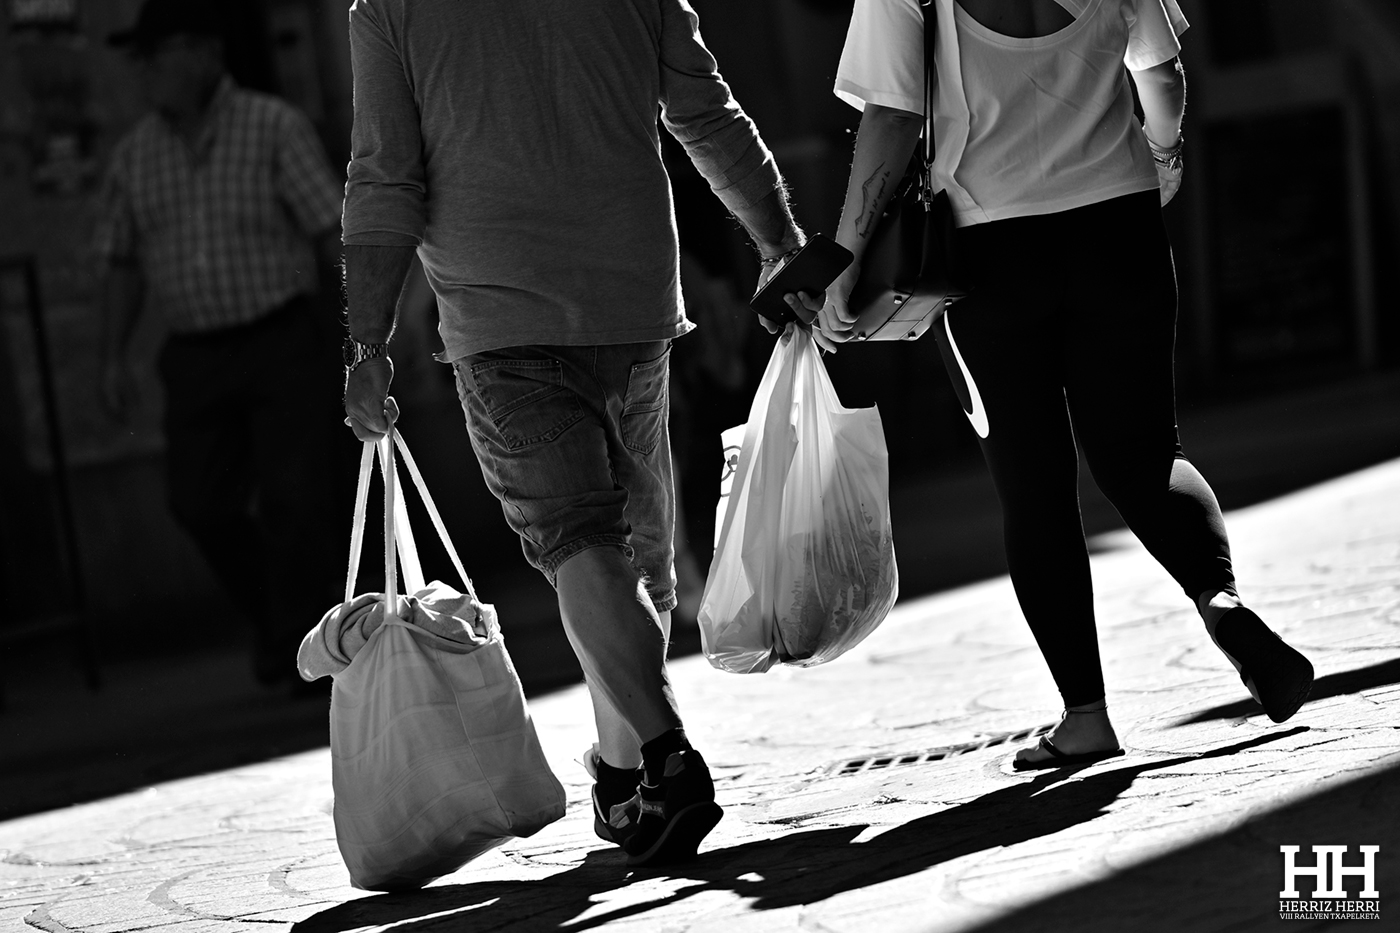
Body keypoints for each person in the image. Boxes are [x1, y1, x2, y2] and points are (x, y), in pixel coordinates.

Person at [339, 0, 805, 865]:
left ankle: (662, 753)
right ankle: (624, 779)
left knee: (579, 541)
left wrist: (368, 343)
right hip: (629, 303)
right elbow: (705, 114)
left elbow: (386, 177)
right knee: (632, 556)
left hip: (500, 316)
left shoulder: (390, 10)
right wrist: (779, 240)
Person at [794, 0, 1314, 768]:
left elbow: (894, 117)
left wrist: (845, 252)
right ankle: (1220, 599)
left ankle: (1086, 717)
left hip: (990, 255)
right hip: (1120, 228)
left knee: (1034, 486)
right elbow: (1160, 72)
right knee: (1144, 454)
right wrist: (1163, 158)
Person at [96, 0, 346, 688]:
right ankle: (279, 620)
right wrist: (113, 355)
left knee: (297, 499)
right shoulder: (135, 155)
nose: (145, 70)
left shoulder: (272, 127)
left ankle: (307, 653)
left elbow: (331, 233)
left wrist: (366, 327)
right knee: (197, 502)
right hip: (197, 354)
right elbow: (120, 262)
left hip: (279, 340)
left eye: (158, 52)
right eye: (139, 57)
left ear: (205, 53)